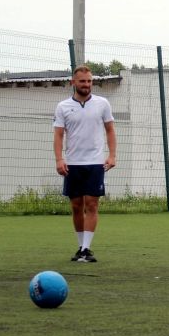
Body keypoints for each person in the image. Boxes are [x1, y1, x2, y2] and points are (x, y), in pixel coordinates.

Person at [53, 65, 117, 263]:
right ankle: (81, 247)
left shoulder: (102, 103)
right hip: (73, 163)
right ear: (73, 82)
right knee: (76, 206)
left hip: (95, 163)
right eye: (82, 81)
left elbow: (110, 130)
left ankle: (86, 249)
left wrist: (112, 155)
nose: (87, 84)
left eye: (89, 81)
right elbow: (58, 135)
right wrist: (59, 159)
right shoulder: (63, 106)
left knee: (92, 204)